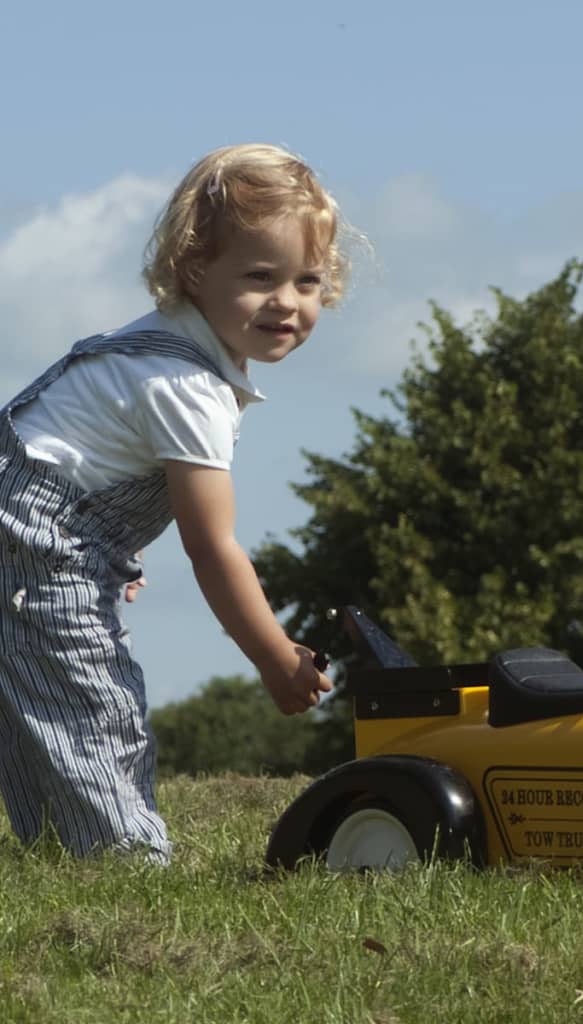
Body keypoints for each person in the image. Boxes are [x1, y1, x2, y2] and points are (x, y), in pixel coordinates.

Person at [0, 143, 342, 863]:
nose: (287, 302)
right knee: (92, 704)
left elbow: (90, 451)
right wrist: (275, 657)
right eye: (259, 277)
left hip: (33, 529)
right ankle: (122, 857)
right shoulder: (187, 386)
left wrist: (111, 547)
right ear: (194, 271)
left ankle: (61, 849)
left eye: (307, 281)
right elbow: (213, 547)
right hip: (33, 541)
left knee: (37, 694)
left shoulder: (160, 349)